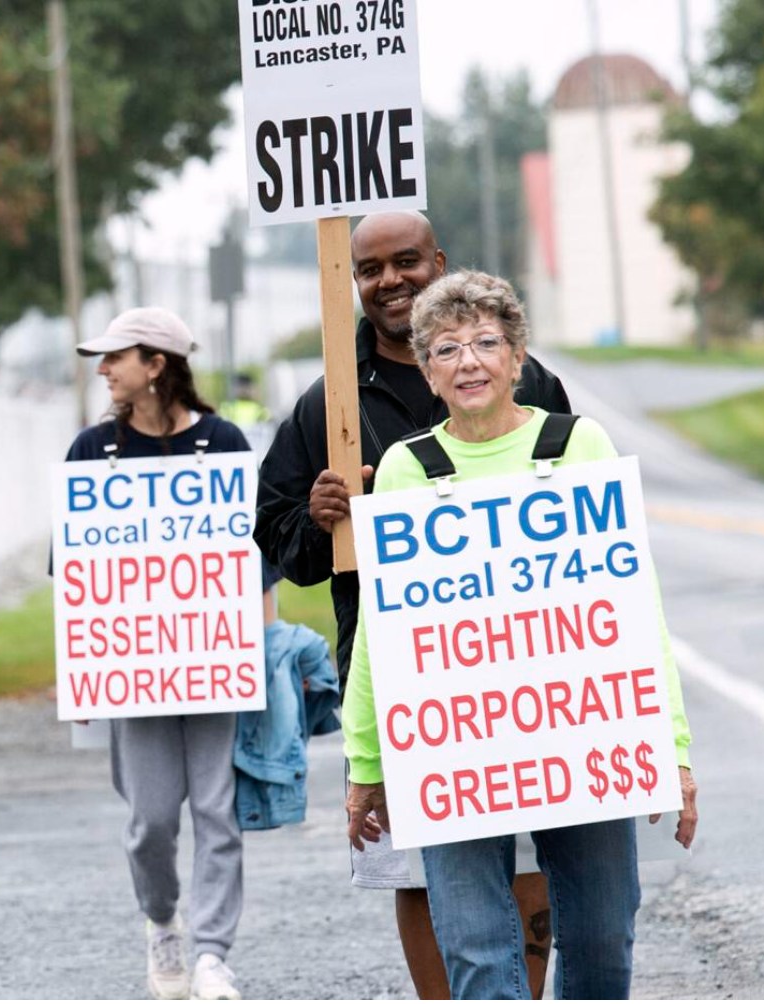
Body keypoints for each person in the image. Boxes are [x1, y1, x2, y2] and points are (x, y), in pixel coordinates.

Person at [343, 270, 699, 999]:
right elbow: (383, 628)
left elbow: (634, 606)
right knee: (475, 953)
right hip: (454, 748)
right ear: (429, 372)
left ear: (517, 358)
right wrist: (366, 759)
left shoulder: (578, 446)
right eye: (446, 349)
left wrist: (673, 747)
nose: (468, 361)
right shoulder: (408, 469)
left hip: (583, 735)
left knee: (602, 943)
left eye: (485, 343)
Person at [253, 211, 571, 998]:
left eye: (405, 262)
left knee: (527, 860)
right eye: (370, 270)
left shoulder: (525, 381)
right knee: (423, 867)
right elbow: (275, 539)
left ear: (439, 260)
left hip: (528, 668)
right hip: (400, 677)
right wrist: (320, 517)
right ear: (351, 281)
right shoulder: (326, 403)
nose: (390, 281)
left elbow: (588, 518)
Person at [63, 307, 250, 1001]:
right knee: (151, 822)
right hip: (133, 672)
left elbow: (247, 558)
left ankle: (211, 955)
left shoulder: (224, 441)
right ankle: (161, 918)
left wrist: (254, 647)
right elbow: (74, 574)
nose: (104, 369)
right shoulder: (91, 451)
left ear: (157, 365)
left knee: (216, 811)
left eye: (117, 357)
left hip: (214, 664)